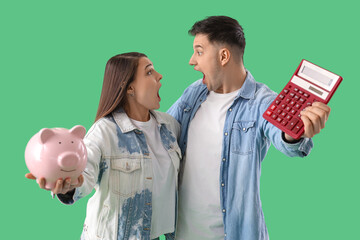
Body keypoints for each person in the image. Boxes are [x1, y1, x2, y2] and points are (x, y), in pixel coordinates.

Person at [167, 16, 331, 240]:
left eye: (199, 51)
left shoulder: (262, 102)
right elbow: (161, 132)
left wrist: (294, 131)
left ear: (224, 56)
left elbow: (283, 138)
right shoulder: (193, 94)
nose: (191, 61)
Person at [26, 52, 180, 240]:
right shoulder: (104, 132)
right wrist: (69, 186)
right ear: (130, 88)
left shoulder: (169, 126)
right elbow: (85, 176)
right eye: (149, 72)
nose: (159, 75)